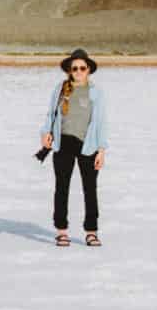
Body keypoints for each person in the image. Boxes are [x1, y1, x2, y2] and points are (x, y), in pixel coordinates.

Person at [39, 46, 107, 248]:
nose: (78, 71)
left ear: (89, 70)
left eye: (82, 68)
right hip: (63, 143)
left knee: (90, 189)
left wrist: (101, 150)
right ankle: (61, 231)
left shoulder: (96, 93)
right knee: (62, 188)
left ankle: (91, 232)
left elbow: (101, 123)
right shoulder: (60, 89)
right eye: (74, 68)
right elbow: (50, 114)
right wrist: (45, 133)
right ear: (69, 70)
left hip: (88, 146)